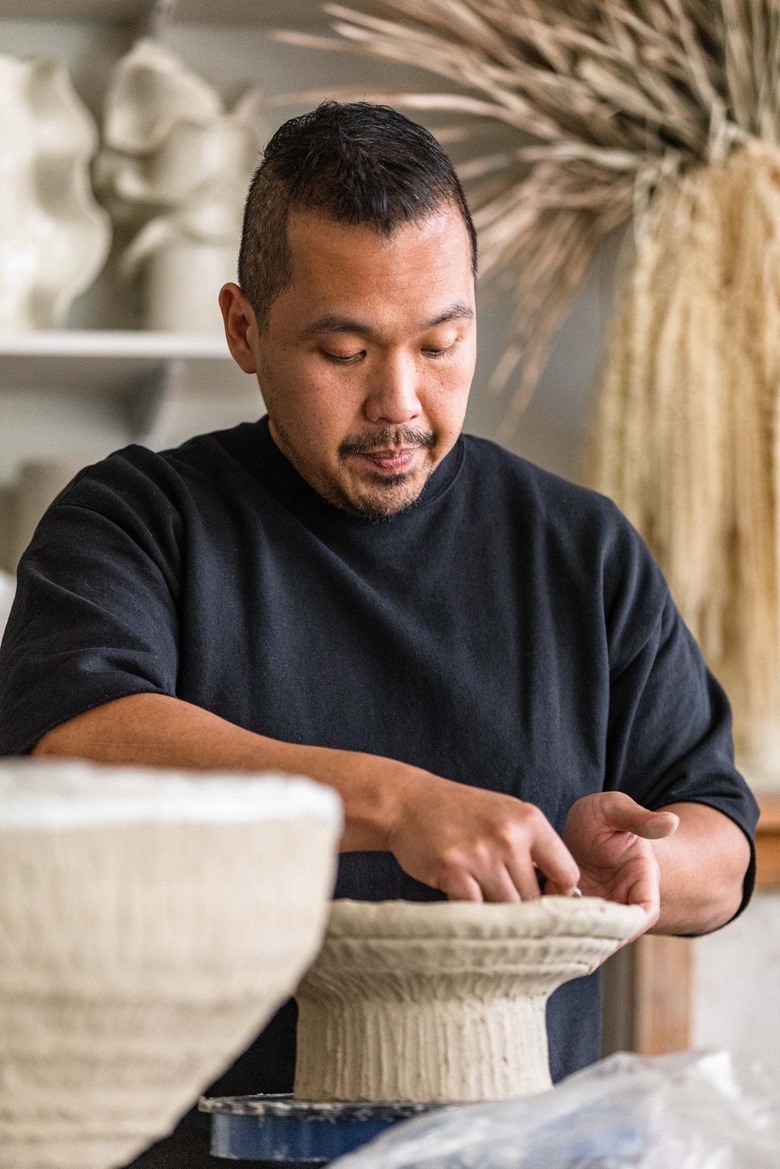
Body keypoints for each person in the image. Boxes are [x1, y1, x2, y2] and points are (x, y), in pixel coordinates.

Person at [0, 102, 758, 1168]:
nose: (399, 401)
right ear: (244, 329)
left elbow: (720, 845)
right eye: (345, 350)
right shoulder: (138, 519)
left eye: (442, 343)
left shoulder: (579, 548)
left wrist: (640, 865)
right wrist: (396, 804)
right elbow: (75, 745)